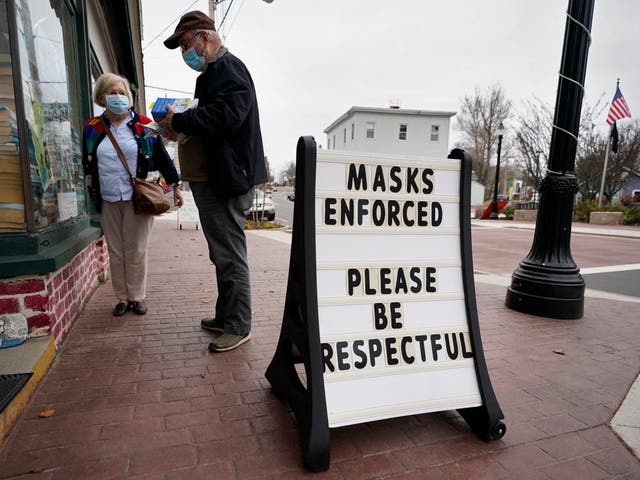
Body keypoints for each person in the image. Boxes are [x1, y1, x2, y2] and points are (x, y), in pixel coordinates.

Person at [160, 10, 267, 352]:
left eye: (186, 45)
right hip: (217, 176)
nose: (184, 55)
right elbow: (215, 119)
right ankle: (226, 316)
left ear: (204, 37)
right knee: (221, 253)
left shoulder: (227, 67)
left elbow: (227, 115)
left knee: (229, 254)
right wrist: (182, 125)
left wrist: (182, 120)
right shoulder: (213, 72)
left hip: (227, 179)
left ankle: (238, 325)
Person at [82, 73, 184, 317]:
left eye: (122, 92)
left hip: (137, 198)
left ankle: (137, 296)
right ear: (101, 97)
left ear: (128, 97)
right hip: (107, 198)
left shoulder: (144, 124)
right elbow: (86, 163)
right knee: (115, 251)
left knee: (136, 250)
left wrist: (175, 185)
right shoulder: (92, 128)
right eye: (112, 93)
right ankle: (121, 298)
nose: (118, 97)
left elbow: (161, 156)